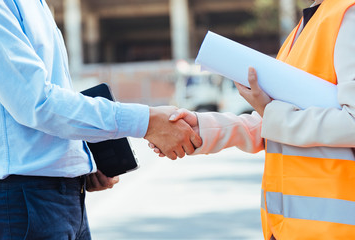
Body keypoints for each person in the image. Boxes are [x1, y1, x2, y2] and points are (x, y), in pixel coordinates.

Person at [0, 0, 202, 239]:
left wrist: (80, 162)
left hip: (63, 196)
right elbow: (36, 102)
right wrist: (148, 121)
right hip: (24, 201)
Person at [150, 0, 355, 239]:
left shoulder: (347, 15)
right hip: (290, 229)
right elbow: (278, 124)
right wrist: (200, 127)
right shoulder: (306, 26)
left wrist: (271, 113)